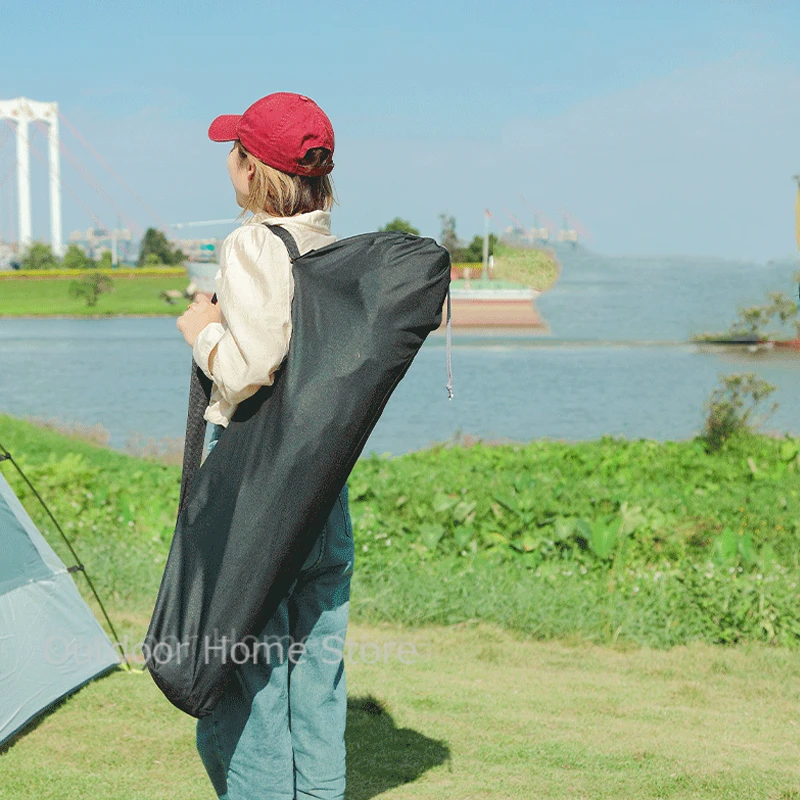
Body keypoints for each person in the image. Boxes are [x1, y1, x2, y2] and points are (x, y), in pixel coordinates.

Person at [175, 92, 355, 800]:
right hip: (324, 485)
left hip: (256, 485)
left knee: (247, 677)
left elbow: (250, 369)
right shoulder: (332, 249)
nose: (229, 159)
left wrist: (202, 332)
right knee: (319, 675)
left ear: (251, 171)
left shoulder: (252, 243)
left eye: (235, 150)